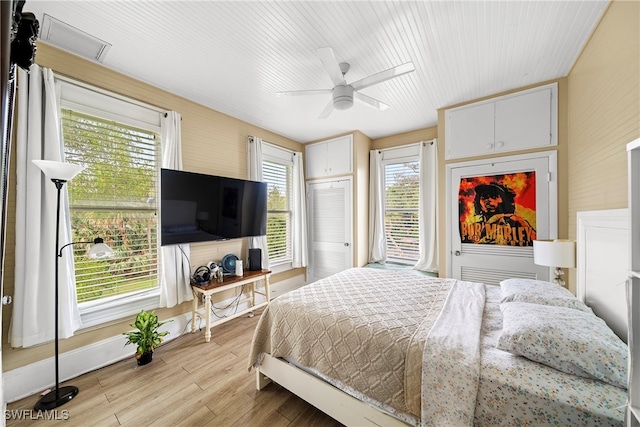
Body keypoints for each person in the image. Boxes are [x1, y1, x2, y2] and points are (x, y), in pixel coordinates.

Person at [461, 182, 536, 246]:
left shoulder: (516, 222)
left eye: (493, 196)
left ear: (504, 200)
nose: (488, 200)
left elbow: (536, 244)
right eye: (484, 197)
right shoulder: (473, 227)